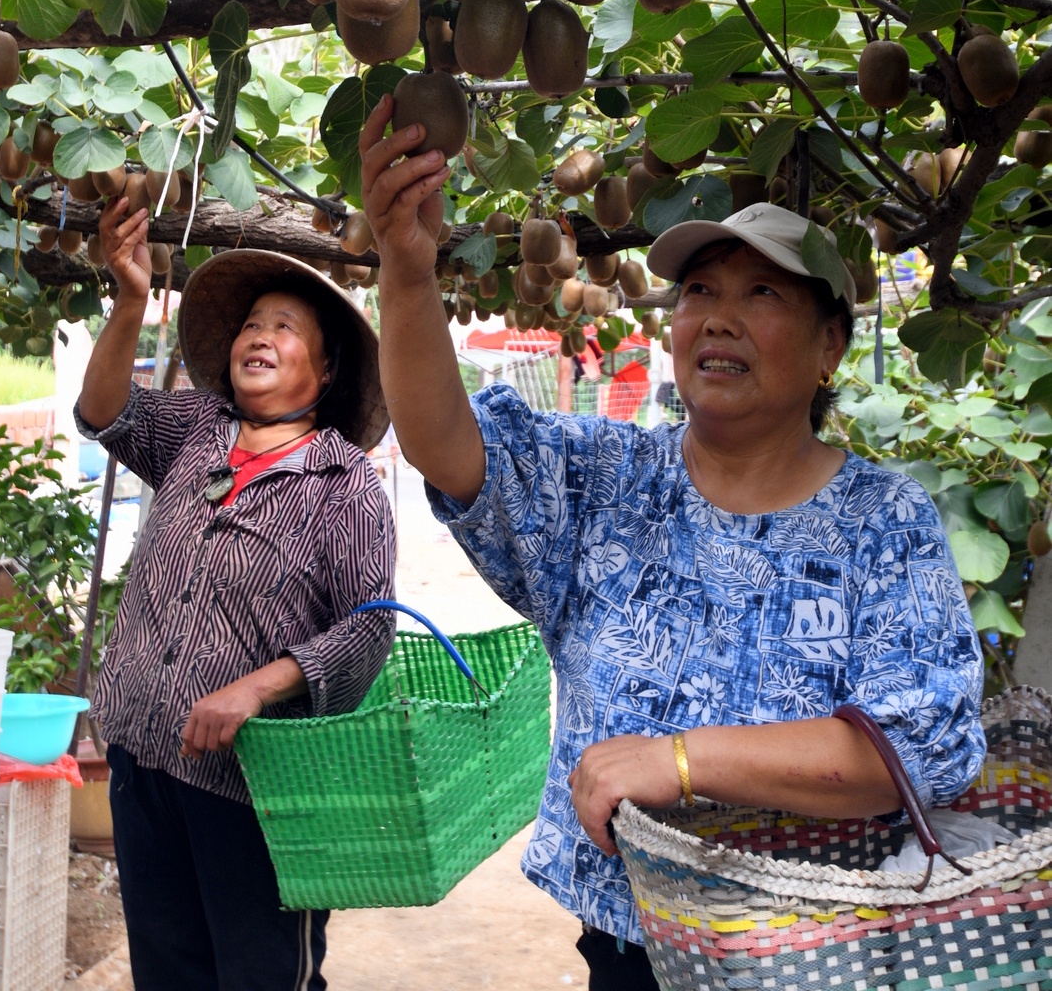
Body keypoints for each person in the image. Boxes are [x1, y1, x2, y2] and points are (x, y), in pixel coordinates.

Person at [359, 98, 985, 991]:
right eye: (700, 292)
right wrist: (408, 275)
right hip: (630, 945)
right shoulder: (606, 479)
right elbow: (446, 445)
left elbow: (918, 746)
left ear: (830, 349)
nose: (719, 318)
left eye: (762, 293)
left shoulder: (884, 522)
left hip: (818, 957)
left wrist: (679, 762)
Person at [76, 194, 396, 991]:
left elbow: (368, 629)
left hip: (257, 788)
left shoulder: (344, 482)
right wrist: (130, 301)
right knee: (167, 971)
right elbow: (104, 412)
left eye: (285, 327)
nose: (260, 335)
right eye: (253, 323)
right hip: (144, 756)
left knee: (263, 977)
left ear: (325, 371)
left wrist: (255, 687)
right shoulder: (196, 430)